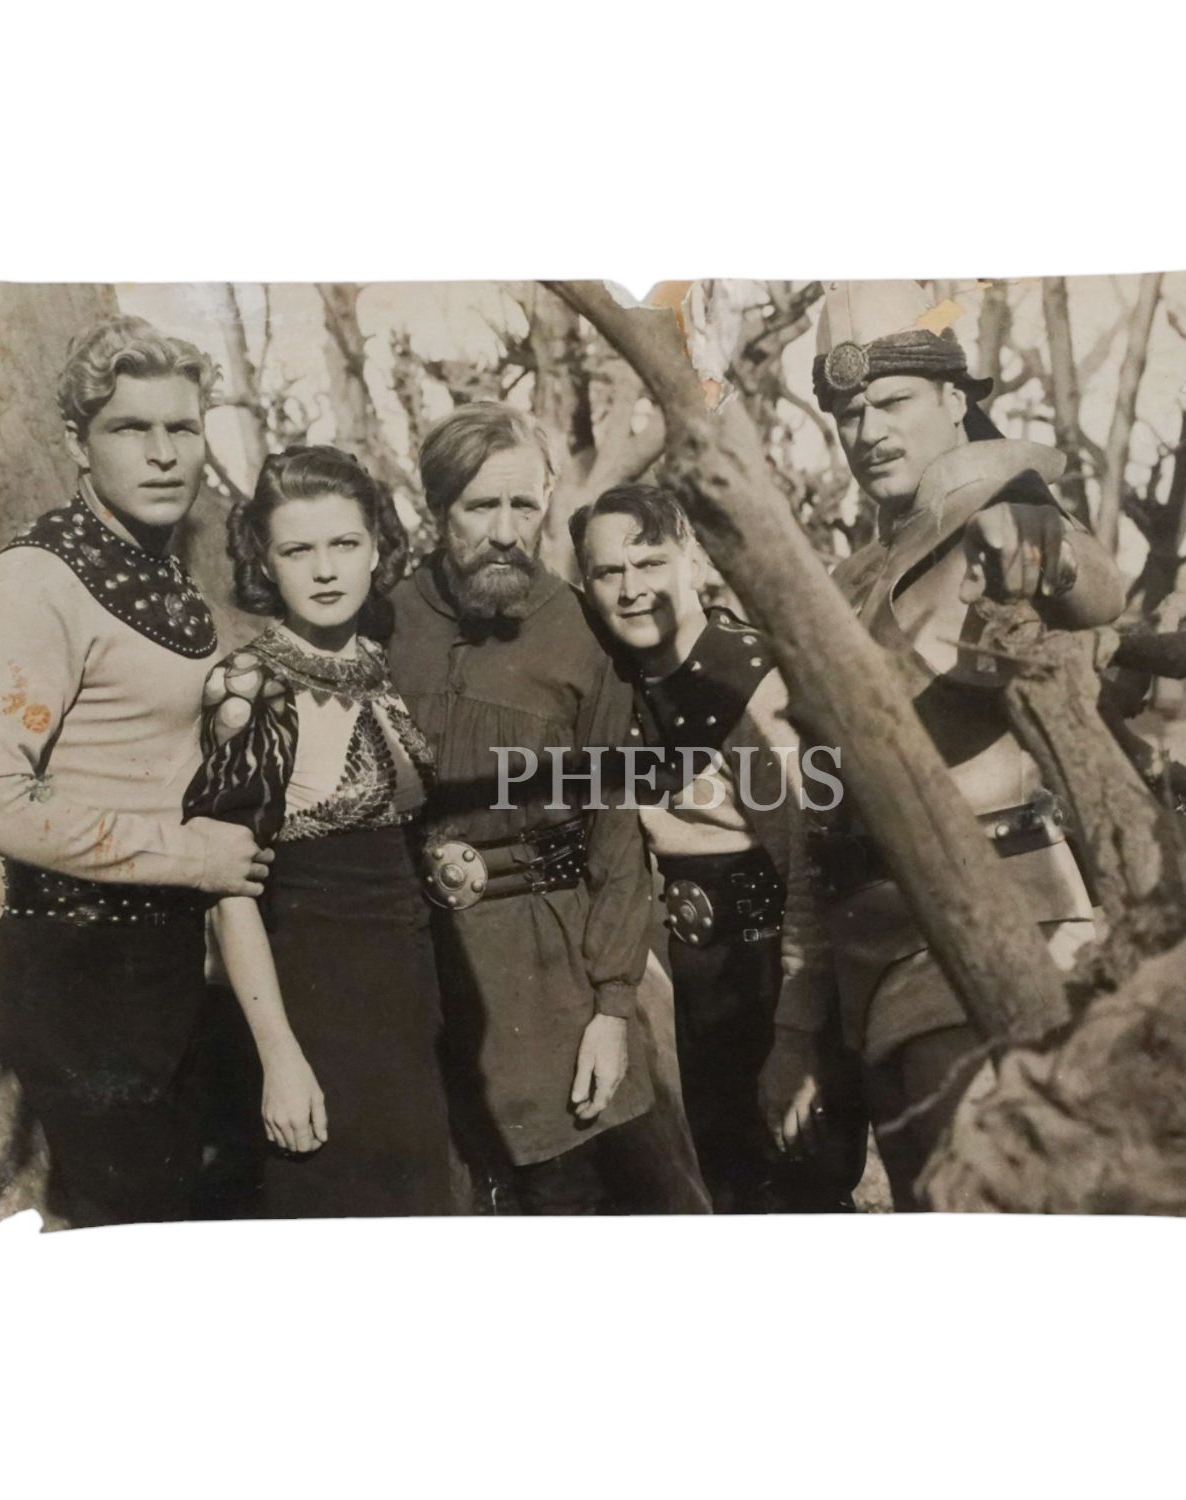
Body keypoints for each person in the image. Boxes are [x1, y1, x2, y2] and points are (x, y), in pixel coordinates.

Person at [770, 281, 1127, 1209]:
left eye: (892, 402)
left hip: (999, 943)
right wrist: (798, 1026)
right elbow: (820, 811)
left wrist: (1040, 535)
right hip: (873, 972)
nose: (868, 432)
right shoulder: (848, 581)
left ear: (955, 399)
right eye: (848, 414)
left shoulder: (998, 519)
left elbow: (1096, 588)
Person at [0, 316, 272, 1228]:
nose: (164, 454)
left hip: (171, 962)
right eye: (131, 428)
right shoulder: (30, 584)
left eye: (183, 428)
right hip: (82, 969)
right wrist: (190, 856)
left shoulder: (159, 574)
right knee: (131, 1236)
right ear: (76, 444)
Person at [390, 403, 702, 1214]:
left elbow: (616, 835)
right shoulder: (385, 623)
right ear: (436, 508)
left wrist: (612, 1009)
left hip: (552, 972)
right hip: (419, 971)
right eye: (480, 506)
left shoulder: (581, 634)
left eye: (523, 505)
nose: (505, 532)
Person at [571, 484, 864, 1212]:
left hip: (770, 981)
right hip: (690, 982)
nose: (631, 589)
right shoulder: (618, 679)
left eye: (650, 562)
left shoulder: (753, 683)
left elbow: (810, 873)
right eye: (608, 572)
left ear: (695, 560)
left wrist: (796, 1037)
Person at [182, 446, 453, 1218]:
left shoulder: (381, 662)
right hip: (313, 1006)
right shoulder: (248, 684)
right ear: (265, 563)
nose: (326, 570)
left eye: (345, 543)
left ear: (377, 547)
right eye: (298, 550)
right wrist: (280, 1058)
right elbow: (228, 891)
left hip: (409, 997)